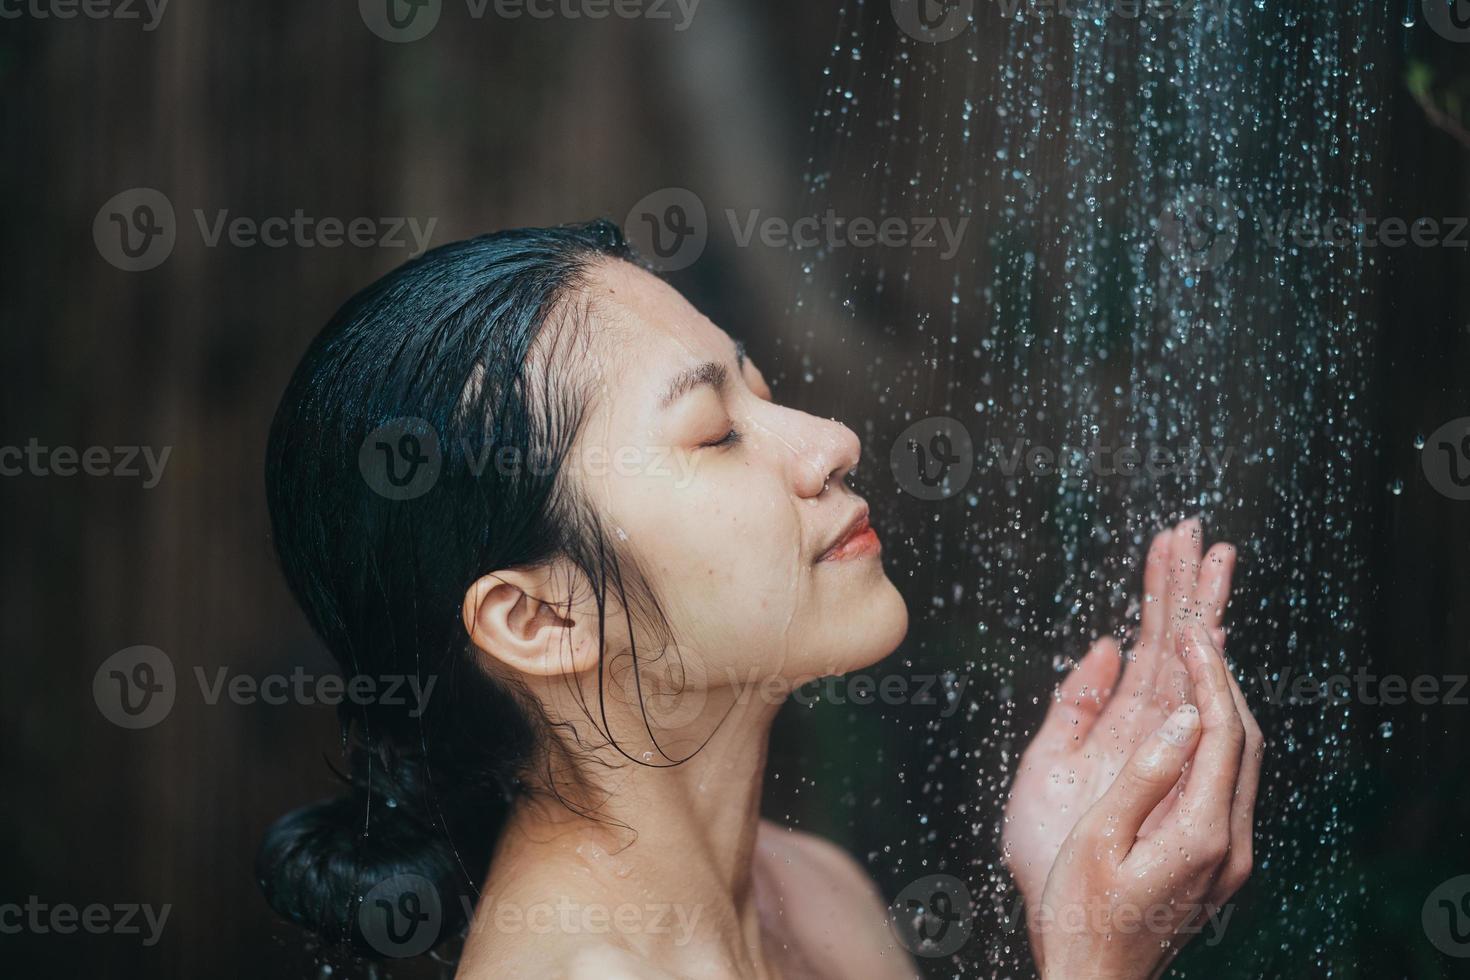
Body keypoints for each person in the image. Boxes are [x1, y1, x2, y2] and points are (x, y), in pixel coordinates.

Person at [258, 220, 1263, 978]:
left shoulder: (810, 888)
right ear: (542, 619)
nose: (829, 438)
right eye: (712, 433)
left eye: (763, 388)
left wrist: (1069, 887)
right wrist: (1094, 957)